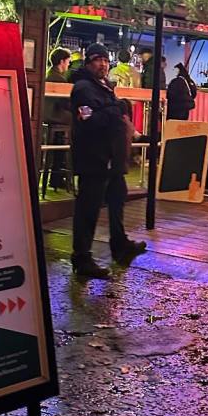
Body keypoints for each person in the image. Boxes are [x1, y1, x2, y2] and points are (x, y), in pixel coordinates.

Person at [69, 43, 147, 278]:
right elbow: (89, 120)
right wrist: (116, 108)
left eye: (105, 60)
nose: (102, 64)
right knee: (88, 208)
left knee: (117, 197)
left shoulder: (102, 87)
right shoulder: (83, 88)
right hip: (94, 158)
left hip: (111, 158)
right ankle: (82, 258)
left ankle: (120, 244)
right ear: (88, 63)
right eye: (97, 60)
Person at [43, 48, 72, 190]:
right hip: (56, 116)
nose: (68, 65)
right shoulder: (59, 79)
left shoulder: (49, 73)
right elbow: (65, 103)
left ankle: (58, 175)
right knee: (79, 122)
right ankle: (64, 173)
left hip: (49, 116)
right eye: (68, 62)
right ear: (62, 61)